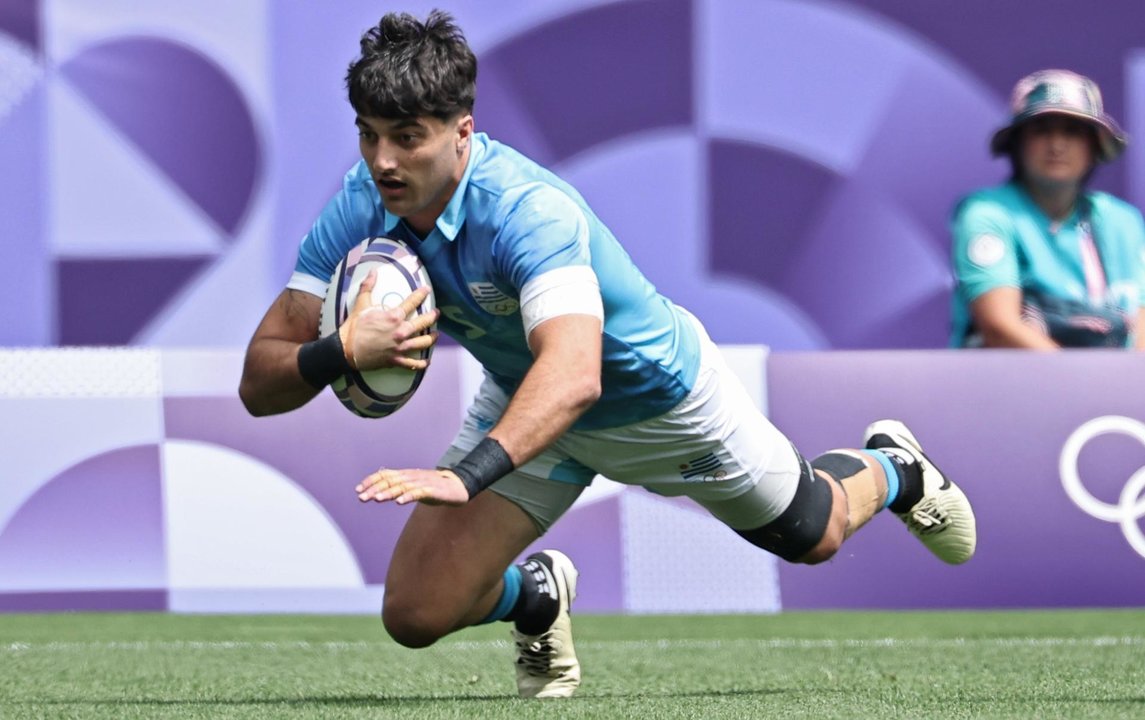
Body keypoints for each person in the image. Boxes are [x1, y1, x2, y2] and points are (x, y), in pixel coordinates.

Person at [239, 10, 977, 699]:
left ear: (462, 132)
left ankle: (895, 469)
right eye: (369, 135)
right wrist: (338, 350)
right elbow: (259, 380)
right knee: (415, 614)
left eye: (407, 137)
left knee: (813, 533)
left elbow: (575, 373)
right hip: (530, 403)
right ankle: (536, 595)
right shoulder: (359, 206)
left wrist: (467, 479)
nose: (382, 160)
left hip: (661, 403)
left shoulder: (529, 210)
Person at [951, 69, 1145, 349]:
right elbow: (999, 327)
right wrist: (1080, 388)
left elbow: (1141, 331)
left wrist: (1121, 387)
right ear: (1017, 144)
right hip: (1004, 389)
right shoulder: (987, 214)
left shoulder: (1123, 221)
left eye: (1072, 131)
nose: (1057, 145)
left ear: (1095, 145)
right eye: (1042, 130)